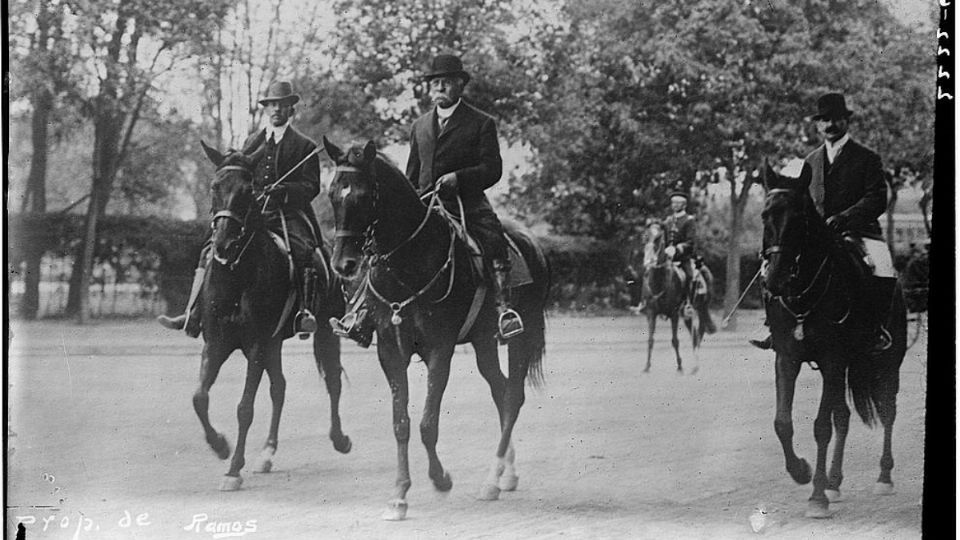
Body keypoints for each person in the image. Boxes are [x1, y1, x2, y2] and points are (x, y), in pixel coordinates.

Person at [331, 53, 522, 345]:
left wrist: (459, 179)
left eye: (446, 82)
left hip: (466, 203)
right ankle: (363, 313)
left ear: (460, 85)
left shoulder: (482, 123)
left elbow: (492, 170)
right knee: (380, 246)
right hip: (425, 204)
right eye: (435, 83)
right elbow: (412, 173)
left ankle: (503, 311)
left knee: (493, 240)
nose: (440, 88)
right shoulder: (420, 125)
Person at [158, 81, 323, 338]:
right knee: (211, 248)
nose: (276, 109)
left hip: (288, 213)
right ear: (266, 109)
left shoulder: (305, 146)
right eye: (271, 105)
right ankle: (194, 312)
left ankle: (304, 313)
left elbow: (312, 187)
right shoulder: (251, 141)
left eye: (282, 105)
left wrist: (285, 191)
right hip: (251, 211)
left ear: (291, 109)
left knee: (304, 252)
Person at [751, 92, 895, 352]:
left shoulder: (867, 157)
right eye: (824, 120)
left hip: (859, 232)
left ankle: (876, 329)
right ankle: (774, 327)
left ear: (846, 121)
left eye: (836, 119)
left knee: (883, 265)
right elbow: (803, 202)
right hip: (818, 236)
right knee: (772, 263)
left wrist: (844, 217)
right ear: (818, 124)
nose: (830, 125)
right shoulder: (810, 161)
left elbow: (877, 198)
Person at [663, 191, 699, 308]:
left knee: (690, 276)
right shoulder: (668, 220)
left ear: (684, 205)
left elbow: (690, 241)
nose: (674, 205)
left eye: (678, 203)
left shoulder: (689, 220)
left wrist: (677, 249)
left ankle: (688, 303)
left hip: (683, 258)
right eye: (673, 203)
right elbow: (664, 238)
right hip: (667, 258)